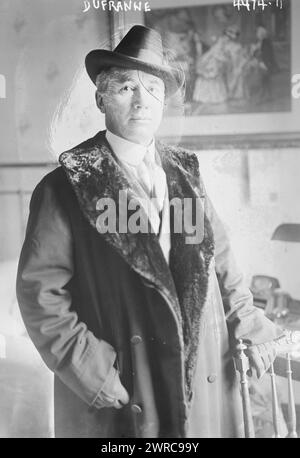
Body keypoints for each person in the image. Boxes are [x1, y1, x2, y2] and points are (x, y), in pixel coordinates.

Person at [16, 25, 284, 438]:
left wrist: (248, 323)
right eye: (126, 87)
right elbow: (40, 295)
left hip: (201, 370)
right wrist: (97, 374)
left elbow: (222, 261)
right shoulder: (68, 184)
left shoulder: (186, 172)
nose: (142, 101)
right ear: (101, 98)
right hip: (127, 379)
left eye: (153, 89)